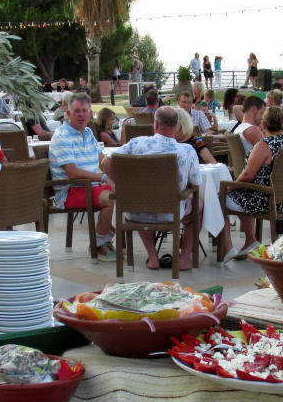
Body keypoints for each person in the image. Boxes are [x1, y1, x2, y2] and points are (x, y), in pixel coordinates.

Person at [103, 105, 200, 271]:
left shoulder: (135, 144)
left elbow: (106, 163)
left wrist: (119, 185)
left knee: (142, 198)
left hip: (134, 210)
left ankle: (153, 257)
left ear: (155, 125)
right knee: (199, 204)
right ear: (177, 126)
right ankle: (183, 258)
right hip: (171, 213)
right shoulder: (186, 150)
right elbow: (196, 185)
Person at [222, 104, 283, 261]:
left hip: (265, 200)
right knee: (240, 193)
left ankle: (227, 247)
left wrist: (228, 188)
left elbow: (248, 176)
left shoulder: (264, 146)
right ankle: (250, 241)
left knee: (219, 197)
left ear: (262, 124)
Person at [49, 93, 116, 259]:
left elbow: (102, 161)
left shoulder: (87, 132)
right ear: (68, 112)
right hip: (71, 190)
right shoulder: (62, 136)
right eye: (76, 111)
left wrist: (116, 177)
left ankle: (106, 236)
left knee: (126, 193)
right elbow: (72, 172)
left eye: (84, 111)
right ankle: (98, 243)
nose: (80, 115)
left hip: (91, 186)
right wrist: (103, 178)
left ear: (90, 113)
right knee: (112, 198)